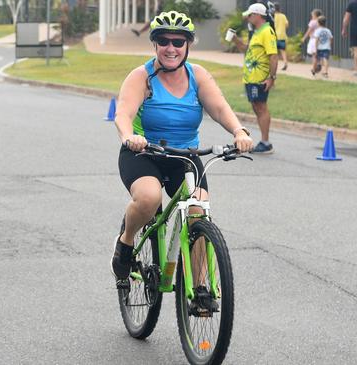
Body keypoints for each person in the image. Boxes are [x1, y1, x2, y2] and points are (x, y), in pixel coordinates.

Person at [111, 11, 253, 309]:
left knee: (198, 211)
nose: (171, 47)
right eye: (163, 40)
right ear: (155, 44)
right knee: (149, 198)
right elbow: (123, 113)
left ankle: (200, 289)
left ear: (188, 45)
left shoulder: (197, 75)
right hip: (143, 152)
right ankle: (126, 241)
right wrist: (129, 136)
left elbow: (219, 108)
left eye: (178, 41)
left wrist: (239, 131)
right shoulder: (141, 76)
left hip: (185, 157)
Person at [231, 2, 277, 154]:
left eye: (250, 15)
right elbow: (247, 50)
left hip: (260, 78)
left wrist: (272, 77)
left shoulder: (267, 31)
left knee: (261, 107)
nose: (248, 18)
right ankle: (264, 141)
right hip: (251, 78)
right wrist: (235, 40)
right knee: (256, 107)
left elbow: (273, 56)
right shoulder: (257, 31)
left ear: (258, 15)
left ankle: (266, 142)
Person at [303, 9, 323, 74]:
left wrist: (304, 38)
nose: (311, 16)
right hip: (320, 40)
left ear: (315, 15)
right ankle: (318, 64)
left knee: (314, 55)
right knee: (318, 55)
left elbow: (309, 30)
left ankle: (314, 69)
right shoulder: (320, 22)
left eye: (312, 15)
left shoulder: (313, 22)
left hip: (313, 39)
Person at [342, 0, 357, 76]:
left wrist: (344, 29)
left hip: (355, 30)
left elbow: (346, 19)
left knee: (356, 50)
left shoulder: (352, 3)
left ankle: (356, 70)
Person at [273, 2, 289, 70]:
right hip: (282, 35)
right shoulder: (283, 16)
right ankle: (285, 63)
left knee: (274, 52)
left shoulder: (272, 16)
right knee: (283, 51)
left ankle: (275, 64)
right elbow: (287, 24)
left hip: (274, 36)